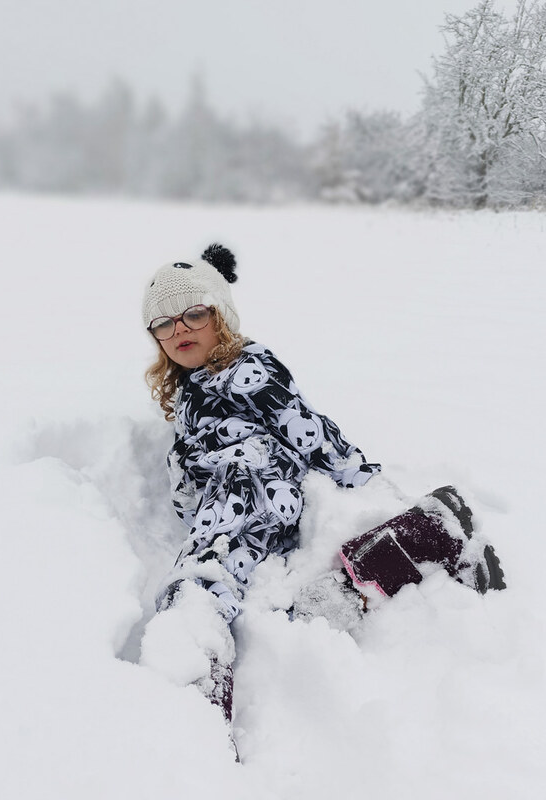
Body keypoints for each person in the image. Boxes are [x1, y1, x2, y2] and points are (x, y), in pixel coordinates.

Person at [138, 243, 505, 733]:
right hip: (235, 504)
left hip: (253, 488)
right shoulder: (192, 388)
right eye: (164, 323)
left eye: (193, 314)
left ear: (220, 315)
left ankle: (186, 729)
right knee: (265, 607)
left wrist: (364, 480)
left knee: (196, 590)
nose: (179, 328)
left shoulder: (246, 370)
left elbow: (306, 428)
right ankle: (411, 545)